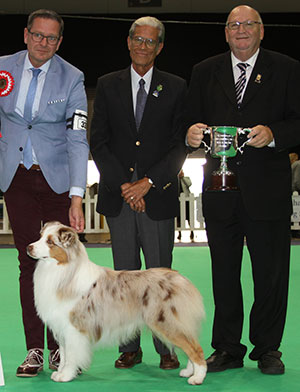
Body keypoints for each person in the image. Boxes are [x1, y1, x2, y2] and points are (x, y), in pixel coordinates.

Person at [185, 5, 300, 375]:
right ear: (225, 32)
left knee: (271, 275)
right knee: (224, 275)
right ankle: (228, 348)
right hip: (220, 191)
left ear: (262, 31)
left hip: (268, 192)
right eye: (234, 25)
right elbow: (189, 120)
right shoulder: (204, 72)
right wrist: (190, 132)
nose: (241, 30)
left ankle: (268, 348)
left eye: (248, 24)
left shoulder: (287, 68)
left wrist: (275, 135)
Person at [90, 16, 187, 370]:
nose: (143, 46)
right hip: (119, 199)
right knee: (123, 279)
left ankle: (167, 346)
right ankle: (129, 347)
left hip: (157, 197)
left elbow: (179, 145)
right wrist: (125, 187)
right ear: (128, 42)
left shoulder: (176, 86)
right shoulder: (107, 84)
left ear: (160, 47)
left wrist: (148, 182)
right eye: (138, 40)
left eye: (150, 42)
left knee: (160, 277)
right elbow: (98, 142)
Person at [0, 9, 89, 377]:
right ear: (25, 34)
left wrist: (76, 195)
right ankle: (35, 349)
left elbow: (77, 136)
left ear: (60, 42)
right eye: (38, 35)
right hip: (15, 178)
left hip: (55, 179)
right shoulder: (2, 67)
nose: (44, 43)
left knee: (60, 268)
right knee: (27, 262)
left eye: (52, 38)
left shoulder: (73, 78)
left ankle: (60, 350)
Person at [177, 169, 194, 241]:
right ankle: (179, 233)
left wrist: (182, 177)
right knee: (178, 218)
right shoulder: (174, 180)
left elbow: (189, 184)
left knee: (189, 217)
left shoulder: (186, 178)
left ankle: (192, 231)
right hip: (178, 201)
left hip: (187, 200)